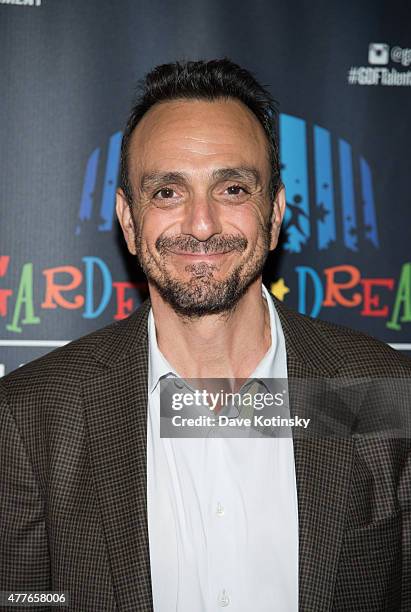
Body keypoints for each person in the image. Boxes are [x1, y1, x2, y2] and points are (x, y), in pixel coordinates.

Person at [0, 59, 410, 612]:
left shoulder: (381, 389)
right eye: (168, 192)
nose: (201, 224)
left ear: (275, 212)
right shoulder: (32, 415)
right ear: (128, 219)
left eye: (233, 188)